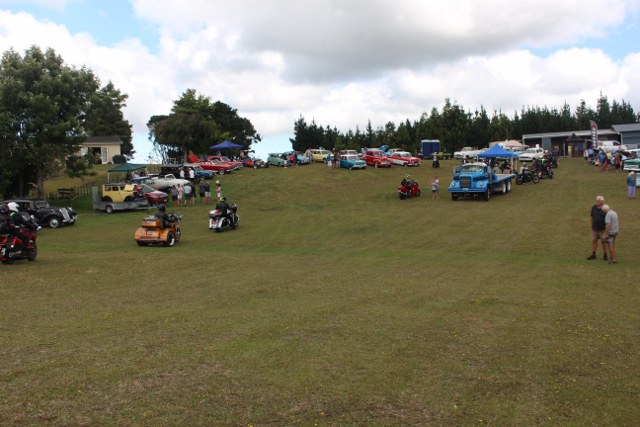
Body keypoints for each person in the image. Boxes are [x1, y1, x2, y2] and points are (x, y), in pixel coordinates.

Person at [587, 195, 607, 260]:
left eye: (599, 200)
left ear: (602, 201)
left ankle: (605, 255)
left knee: (603, 242)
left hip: (602, 229)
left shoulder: (605, 208)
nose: (597, 201)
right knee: (594, 240)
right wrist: (592, 225)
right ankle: (593, 254)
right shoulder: (594, 207)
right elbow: (592, 216)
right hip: (594, 229)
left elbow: (608, 219)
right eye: (597, 200)